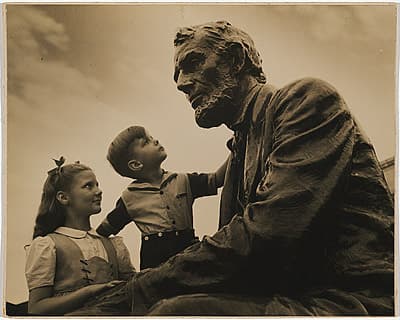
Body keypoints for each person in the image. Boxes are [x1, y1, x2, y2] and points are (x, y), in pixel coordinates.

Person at [121, 21, 393, 316]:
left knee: (174, 313)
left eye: (193, 63)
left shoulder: (306, 101)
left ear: (236, 60)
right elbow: (230, 250)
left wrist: (141, 287)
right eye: (178, 74)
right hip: (291, 294)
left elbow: (267, 235)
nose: (182, 83)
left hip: (351, 300)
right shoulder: (240, 147)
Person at [96, 126, 227, 269]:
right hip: (155, 262)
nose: (155, 140)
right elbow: (104, 230)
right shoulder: (129, 198)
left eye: (151, 138)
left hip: (189, 252)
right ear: (136, 164)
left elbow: (216, 179)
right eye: (146, 142)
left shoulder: (183, 180)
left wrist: (236, 149)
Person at [25, 158, 135, 316]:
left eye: (97, 184)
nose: (98, 191)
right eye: (88, 186)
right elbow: (36, 308)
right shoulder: (48, 245)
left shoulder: (113, 244)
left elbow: (133, 291)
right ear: (63, 198)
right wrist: (89, 292)